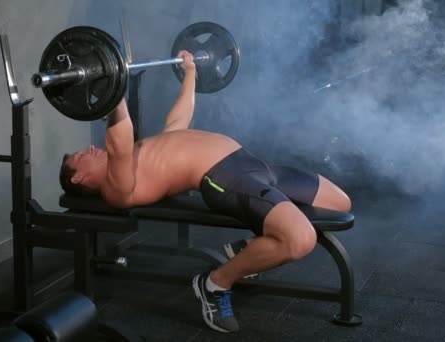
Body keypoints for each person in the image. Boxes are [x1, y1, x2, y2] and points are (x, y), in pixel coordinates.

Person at [59, 51, 351, 333]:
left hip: (253, 165)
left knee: (339, 203)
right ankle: (216, 283)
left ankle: (245, 251)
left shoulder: (141, 155)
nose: (91, 148)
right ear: (80, 178)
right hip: (224, 178)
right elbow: (118, 142)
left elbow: (177, 124)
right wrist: (113, 89)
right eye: (81, 154)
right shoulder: (116, 187)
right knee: (300, 240)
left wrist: (190, 74)